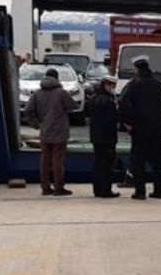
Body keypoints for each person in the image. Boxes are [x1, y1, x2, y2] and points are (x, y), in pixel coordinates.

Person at [119, 55, 161, 200]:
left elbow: (123, 104)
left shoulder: (133, 84)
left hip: (139, 128)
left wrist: (127, 122)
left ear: (136, 69)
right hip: (156, 127)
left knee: (138, 160)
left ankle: (140, 191)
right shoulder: (159, 85)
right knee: (157, 160)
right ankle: (159, 191)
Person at [24, 68, 77, 196]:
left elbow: (28, 110)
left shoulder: (37, 93)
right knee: (57, 160)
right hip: (60, 131)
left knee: (45, 160)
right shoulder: (61, 93)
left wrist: (36, 124)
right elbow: (72, 106)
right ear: (57, 78)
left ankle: (45, 187)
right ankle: (59, 187)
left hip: (45, 131)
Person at [89, 75, 120, 198]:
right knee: (107, 165)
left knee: (98, 163)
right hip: (107, 137)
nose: (113, 88)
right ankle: (106, 190)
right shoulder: (108, 101)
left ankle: (97, 190)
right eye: (112, 86)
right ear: (106, 85)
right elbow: (112, 119)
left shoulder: (93, 98)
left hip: (96, 136)